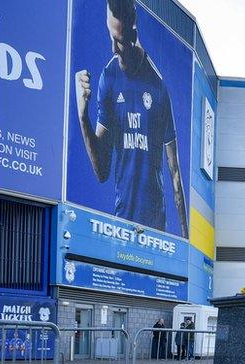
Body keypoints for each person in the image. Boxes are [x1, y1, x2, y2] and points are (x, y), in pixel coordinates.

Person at [74, 0, 188, 236]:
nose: (114, 49)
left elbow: (175, 174)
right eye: (111, 38)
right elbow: (102, 171)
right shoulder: (110, 76)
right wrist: (83, 114)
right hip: (121, 222)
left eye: (119, 42)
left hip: (155, 228)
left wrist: (185, 244)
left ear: (133, 33)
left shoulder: (158, 87)